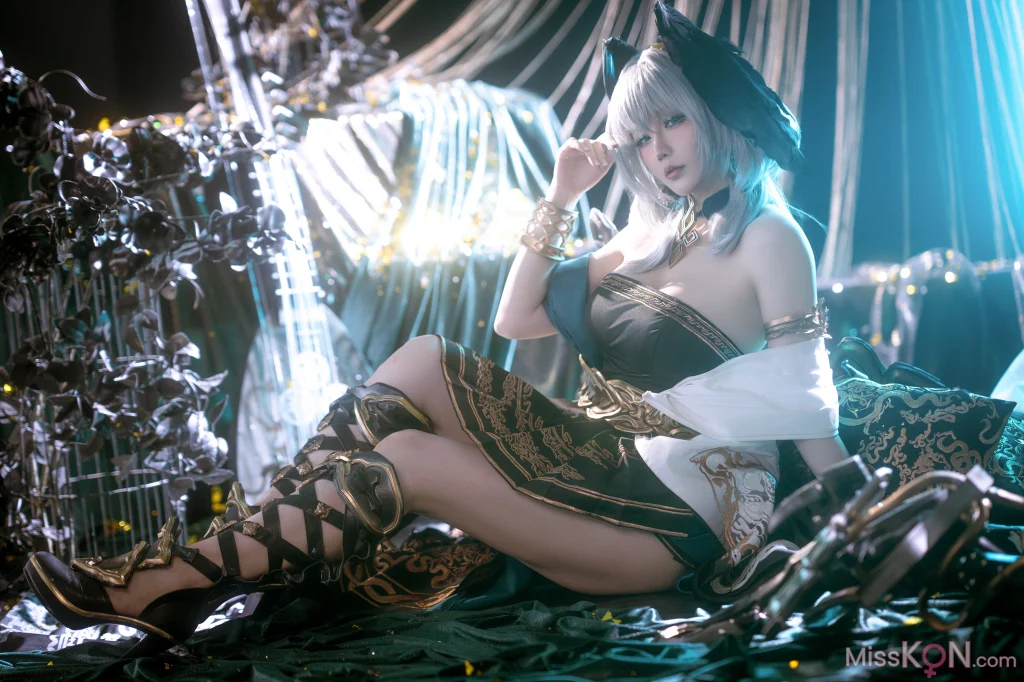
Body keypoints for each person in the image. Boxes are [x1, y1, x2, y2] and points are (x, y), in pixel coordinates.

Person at [20, 3, 893, 655]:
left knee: (405, 460)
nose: (658, 148)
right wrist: (560, 197)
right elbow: (516, 318)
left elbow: (804, 405)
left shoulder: (769, 235)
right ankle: (195, 575)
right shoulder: (647, 235)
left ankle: (173, 582)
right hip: (606, 462)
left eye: (673, 120)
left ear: (716, 116)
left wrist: (864, 519)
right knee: (426, 356)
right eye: (639, 134)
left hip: (673, 518)